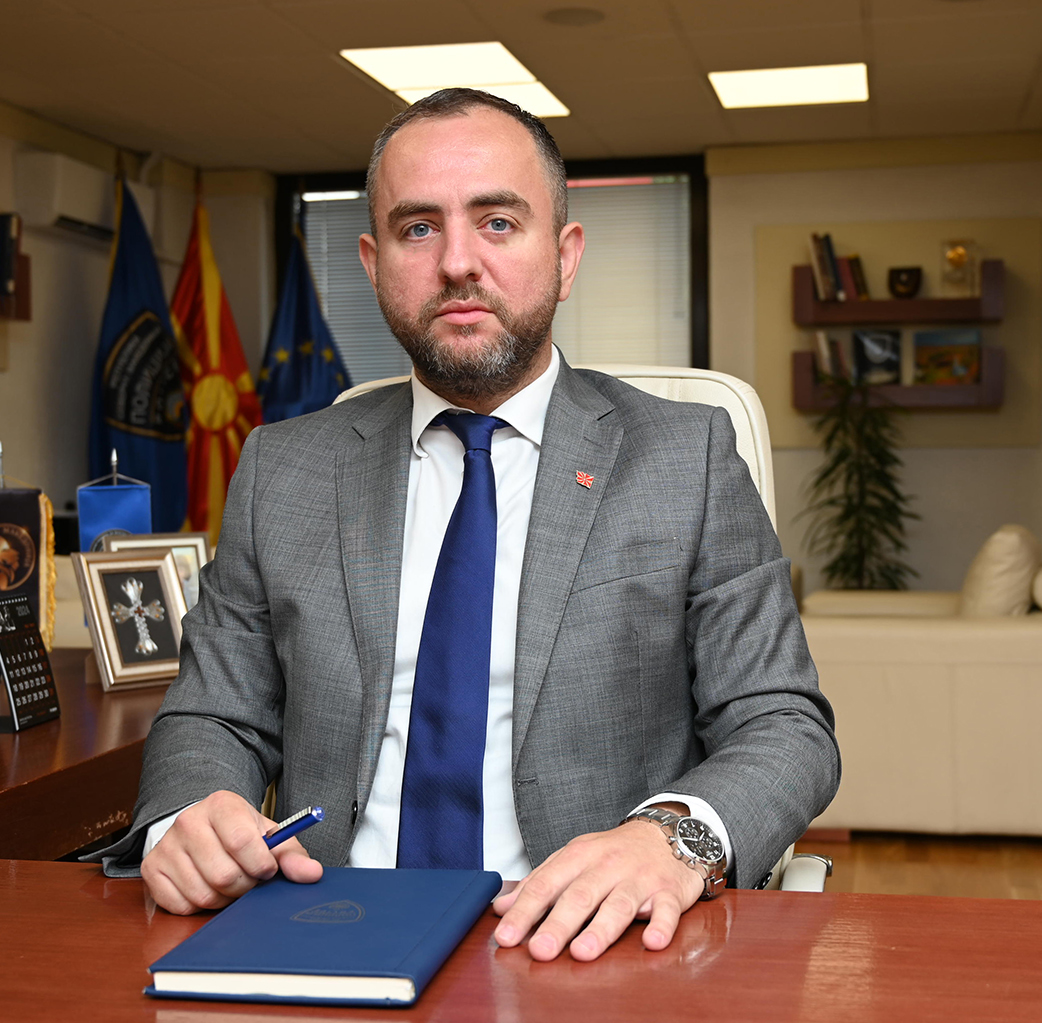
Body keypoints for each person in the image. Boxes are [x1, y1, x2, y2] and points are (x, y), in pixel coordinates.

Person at [93, 89, 838, 962]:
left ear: (565, 255)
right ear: (373, 263)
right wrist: (189, 815)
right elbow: (211, 714)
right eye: (417, 228)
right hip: (328, 930)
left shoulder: (686, 457)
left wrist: (672, 839)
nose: (456, 262)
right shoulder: (282, 468)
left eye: (498, 222)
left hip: (589, 944)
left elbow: (783, 724)